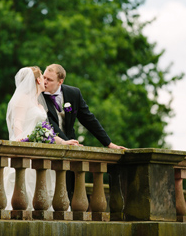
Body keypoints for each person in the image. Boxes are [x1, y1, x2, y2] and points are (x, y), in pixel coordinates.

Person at [0, 67, 79, 210]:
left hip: (40, 155)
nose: (45, 81)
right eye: (42, 77)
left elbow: (46, 131)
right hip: (25, 151)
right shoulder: (22, 99)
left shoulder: (39, 104)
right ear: (37, 80)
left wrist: (63, 142)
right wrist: (22, 143)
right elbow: (17, 124)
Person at [41, 63, 126, 200]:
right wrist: (64, 142)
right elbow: (49, 124)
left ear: (60, 82)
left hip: (71, 149)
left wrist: (108, 143)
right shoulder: (38, 95)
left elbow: (89, 120)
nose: (44, 82)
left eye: (49, 80)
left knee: (69, 190)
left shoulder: (73, 94)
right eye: (44, 77)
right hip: (49, 146)